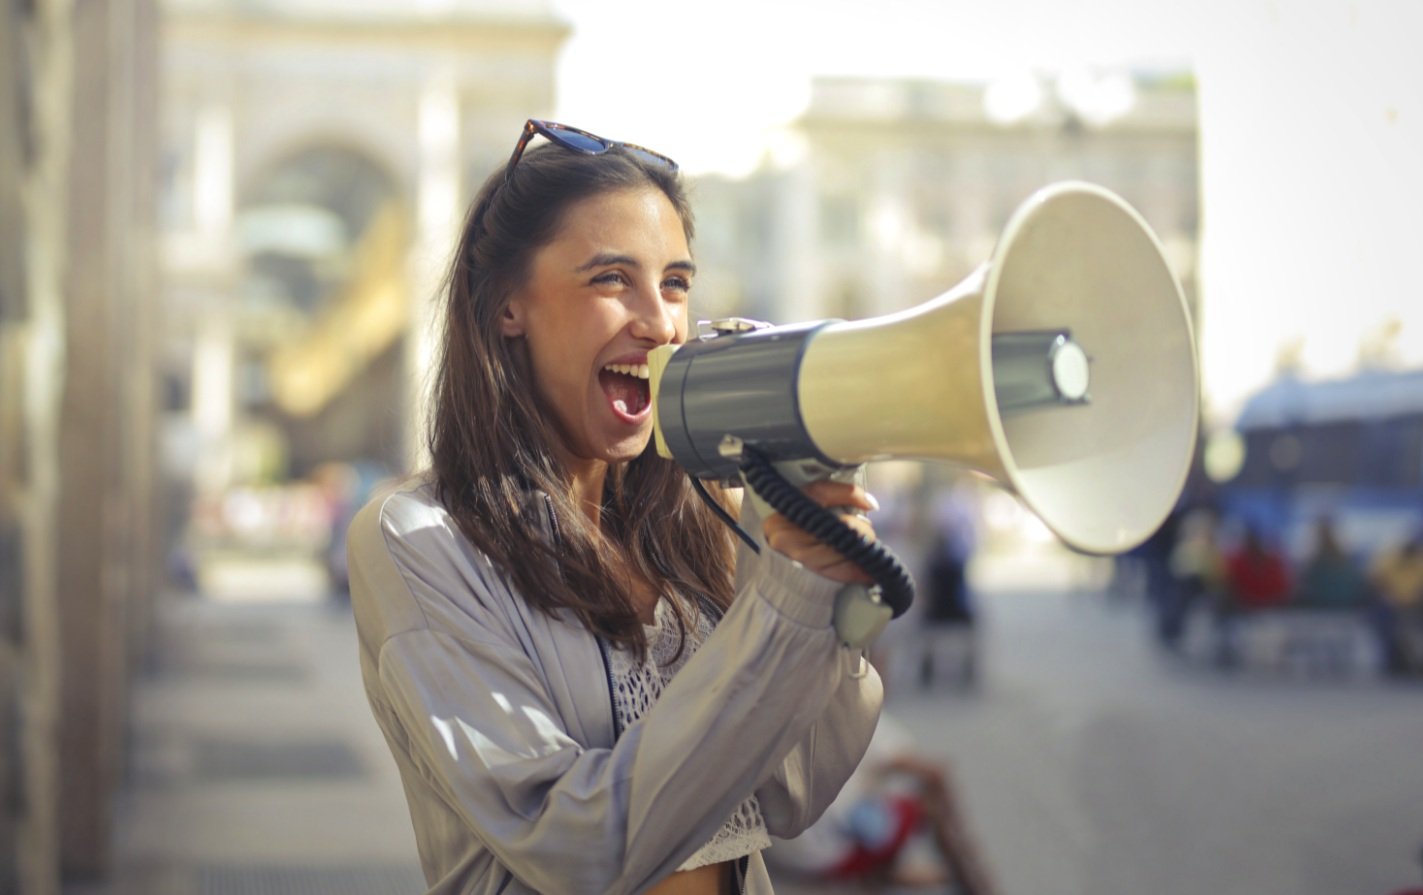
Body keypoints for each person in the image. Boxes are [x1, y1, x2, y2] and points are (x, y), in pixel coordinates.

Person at [345, 120, 885, 895]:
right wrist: (779, 608)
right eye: (610, 279)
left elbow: (788, 791)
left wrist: (818, 597)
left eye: (674, 282)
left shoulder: (703, 516)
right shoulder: (418, 538)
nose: (660, 322)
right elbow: (573, 845)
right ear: (506, 307)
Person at [765, 713, 999, 894]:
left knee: (879, 804)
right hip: (821, 855)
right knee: (927, 803)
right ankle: (970, 879)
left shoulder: (788, 707)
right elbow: (933, 773)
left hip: (781, 853)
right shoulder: (859, 704)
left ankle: (890, 874)